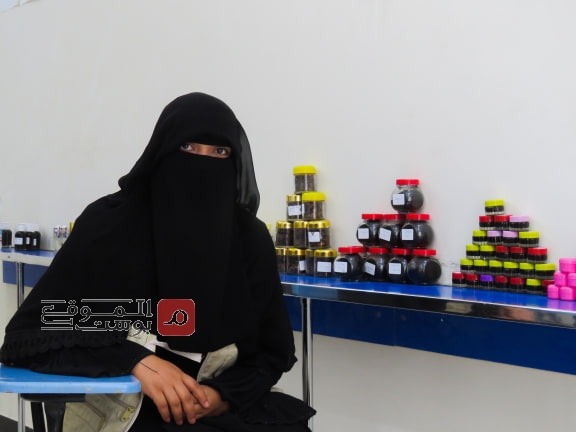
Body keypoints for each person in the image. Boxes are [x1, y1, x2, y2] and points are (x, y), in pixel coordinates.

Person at [0, 92, 315, 431]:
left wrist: (220, 396)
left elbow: (270, 352)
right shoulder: (109, 227)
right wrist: (136, 361)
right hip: (124, 402)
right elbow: (37, 332)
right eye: (188, 148)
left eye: (219, 152)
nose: (202, 164)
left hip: (214, 404)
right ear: (161, 151)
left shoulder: (248, 239)